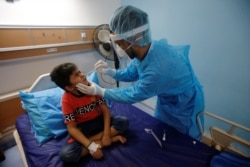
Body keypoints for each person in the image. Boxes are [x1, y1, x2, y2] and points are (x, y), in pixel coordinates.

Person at [76, 5, 204, 140]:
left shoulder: (157, 70)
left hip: (184, 106)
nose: (118, 48)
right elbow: (132, 73)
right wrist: (111, 72)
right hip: (167, 99)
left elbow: (133, 94)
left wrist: (101, 91)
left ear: (135, 37)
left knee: (182, 142)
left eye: (120, 43)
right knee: (162, 129)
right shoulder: (147, 51)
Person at [50, 62, 129, 163]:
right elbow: (72, 128)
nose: (83, 75)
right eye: (76, 75)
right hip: (83, 128)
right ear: (70, 87)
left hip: (99, 121)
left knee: (123, 122)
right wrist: (91, 146)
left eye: (80, 72)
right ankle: (105, 140)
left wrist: (106, 134)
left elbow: (105, 111)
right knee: (66, 155)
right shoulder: (66, 100)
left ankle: (92, 140)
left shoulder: (93, 88)